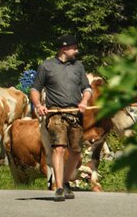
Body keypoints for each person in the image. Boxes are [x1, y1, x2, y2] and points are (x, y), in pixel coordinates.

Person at [30, 34, 93, 202]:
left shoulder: (78, 67)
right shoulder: (46, 66)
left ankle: (65, 182)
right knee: (59, 148)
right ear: (65, 49)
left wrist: (85, 101)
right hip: (55, 113)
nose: (77, 50)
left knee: (76, 151)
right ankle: (58, 187)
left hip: (75, 114)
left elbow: (87, 88)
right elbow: (35, 89)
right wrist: (38, 105)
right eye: (74, 48)